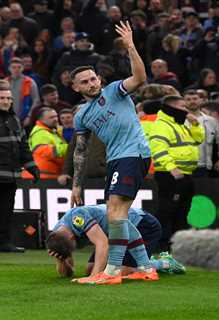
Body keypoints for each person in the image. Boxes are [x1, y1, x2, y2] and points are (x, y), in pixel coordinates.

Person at [70, 21, 152, 285]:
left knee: (115, 211)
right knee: (116, 214)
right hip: (117, 159)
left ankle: (112, 272)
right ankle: (146, 267)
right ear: (76, 88)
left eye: (93, 78)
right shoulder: (81, 115)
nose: (92, 83)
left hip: (133, 153)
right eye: (85, 82)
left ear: (99, 79)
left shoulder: (114, 91)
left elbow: (140, 78)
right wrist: (76, 186)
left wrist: (130, 47)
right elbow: (80, 152)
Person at [0, 82, 40, 253]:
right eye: (2, 98)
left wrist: (32, 167)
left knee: (6, 211)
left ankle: (2, 243)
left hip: (11, 175)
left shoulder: (15, 120)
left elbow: (23, 147)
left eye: (9, 98)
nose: (6, 101)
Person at [47, 204, 185, 279]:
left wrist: (95, 278)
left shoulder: (77, 217)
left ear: (71, 237)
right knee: (90, 269)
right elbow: (68, 274)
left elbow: (103, 244)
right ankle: (145, 260)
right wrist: (61, 261)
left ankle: (165, 263)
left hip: (141, 224)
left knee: (125, 271)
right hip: (114, 235)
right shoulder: (58, 238)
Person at [149, 95, 204, 251]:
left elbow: (198, 140)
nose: (186, 111)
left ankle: (176, 245)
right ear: (171, 108)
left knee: (182, 211)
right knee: (167, 211)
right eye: (182, 107)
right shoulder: (161, 125)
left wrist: (195, 124)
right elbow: (157, 149)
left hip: (185, 174)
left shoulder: (180, 124)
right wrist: (172, 168)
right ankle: (161, 245)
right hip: (170, 175)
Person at [26, 108, 68, 179]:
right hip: (43, 176)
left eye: (56, 116)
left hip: (48, 174)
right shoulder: (40, 133)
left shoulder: (51, 131)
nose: (56, 119)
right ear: (41, 119)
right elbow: (45, 151)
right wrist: (69, 148)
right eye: (51, 117)